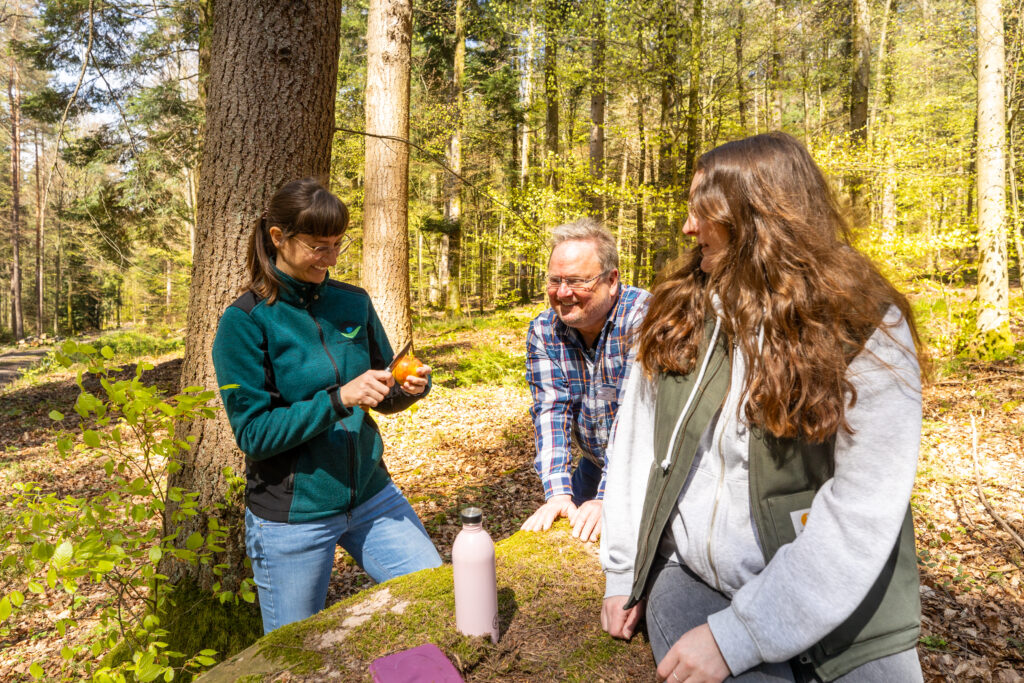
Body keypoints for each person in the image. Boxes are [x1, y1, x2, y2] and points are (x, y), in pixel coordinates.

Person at [600, 132, 926, 682]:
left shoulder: (865, 325)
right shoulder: (678, 315)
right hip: (698, 582)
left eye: (703, 211)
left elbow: (861, 509)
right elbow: (634, 448)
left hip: (842, 603)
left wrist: (744, 633)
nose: (686, 228)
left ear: (760, 216)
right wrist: (624, 572)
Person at [212, 177, 442, 634]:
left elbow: (380, 388)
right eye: (320, 246)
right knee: (293, 655)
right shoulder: (245, 322)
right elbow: (254, 434)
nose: (332, 258)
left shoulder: (352, 303)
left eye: (339, 244)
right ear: (278, 238)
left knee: (435, 599)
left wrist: (407, 387)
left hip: (372, 495)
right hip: (292, 517)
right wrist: (339, 399)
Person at [520, 218, 650, 543]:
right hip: (593, 463)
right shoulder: (544, 331)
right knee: (562, 533)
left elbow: (636, 416)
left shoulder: (644, 318)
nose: (563, 293)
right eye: (555, 281)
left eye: (577, 281)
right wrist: (558, 492)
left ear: (612, 280)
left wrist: (610, 497)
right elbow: (551, 411)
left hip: (649, 464)